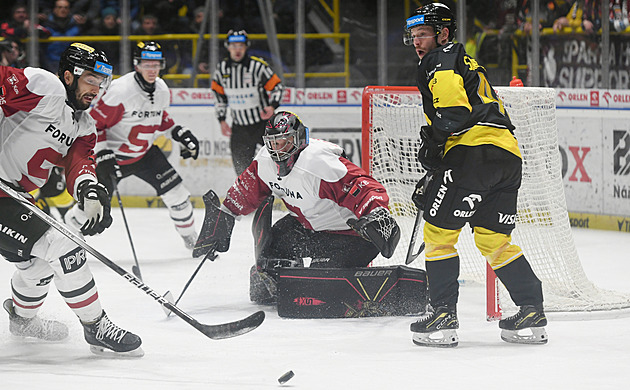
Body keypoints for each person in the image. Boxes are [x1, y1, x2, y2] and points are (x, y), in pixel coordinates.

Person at [403, 3, 547, 347]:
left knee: (438, 232)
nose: (417, 41)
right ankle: (531, 310)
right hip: (507, 156)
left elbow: (453, 114)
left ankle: (442, 316)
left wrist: (435, 149)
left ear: (444, 34)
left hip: (473, 153)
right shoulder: (467, 61)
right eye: (413, 35)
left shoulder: (439, 59)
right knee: (492, 238)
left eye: (423, 33)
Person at [0, 43, 142, 356]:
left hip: (15, 198)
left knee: (38, 267)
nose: (98, 89)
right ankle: (96, 325)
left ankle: (21, 321)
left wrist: (90, 190)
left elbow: (78, 166)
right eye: (91, 79)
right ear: (68, 75)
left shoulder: (84, 125)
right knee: (63, 247)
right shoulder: (44, 86)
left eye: (102, 82)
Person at [193, 111, 400, 304]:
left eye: (284, 142)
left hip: (349, 235)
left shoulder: (320, 163)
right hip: (307, 227)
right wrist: (224, 217)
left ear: (299, 139)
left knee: (318, 290)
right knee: (265, 272)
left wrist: (376, 214)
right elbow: (246, 190)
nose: (277, 150)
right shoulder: (265, 161)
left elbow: (363, 186)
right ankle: (290, 285)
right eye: (272, 143)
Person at [86, 41, 200, 250]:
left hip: (144, 155)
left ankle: (192, 240)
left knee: (178, 195)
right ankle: (66, 242)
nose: (152, 70)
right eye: (147, 64)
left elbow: (158, 116)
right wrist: (102, 154)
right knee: (93, 208)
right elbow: (93, 123)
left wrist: (178, 132)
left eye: (156, 64)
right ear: (136, 65)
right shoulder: (120, 91)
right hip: (114, 158)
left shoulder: (162, 89)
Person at [210, 29, 285, 176]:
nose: (237, 50)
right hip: (240, 128)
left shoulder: (258, 67)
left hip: (263, 126)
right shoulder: (222, 69)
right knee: (242, 172)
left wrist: (272, 106)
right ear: (228, 47)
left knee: (280, 165)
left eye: (241, 46)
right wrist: (222, 119)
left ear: (246, 47)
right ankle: (258, 199)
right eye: (234, 46)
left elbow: (277, 87)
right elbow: (219, 96)